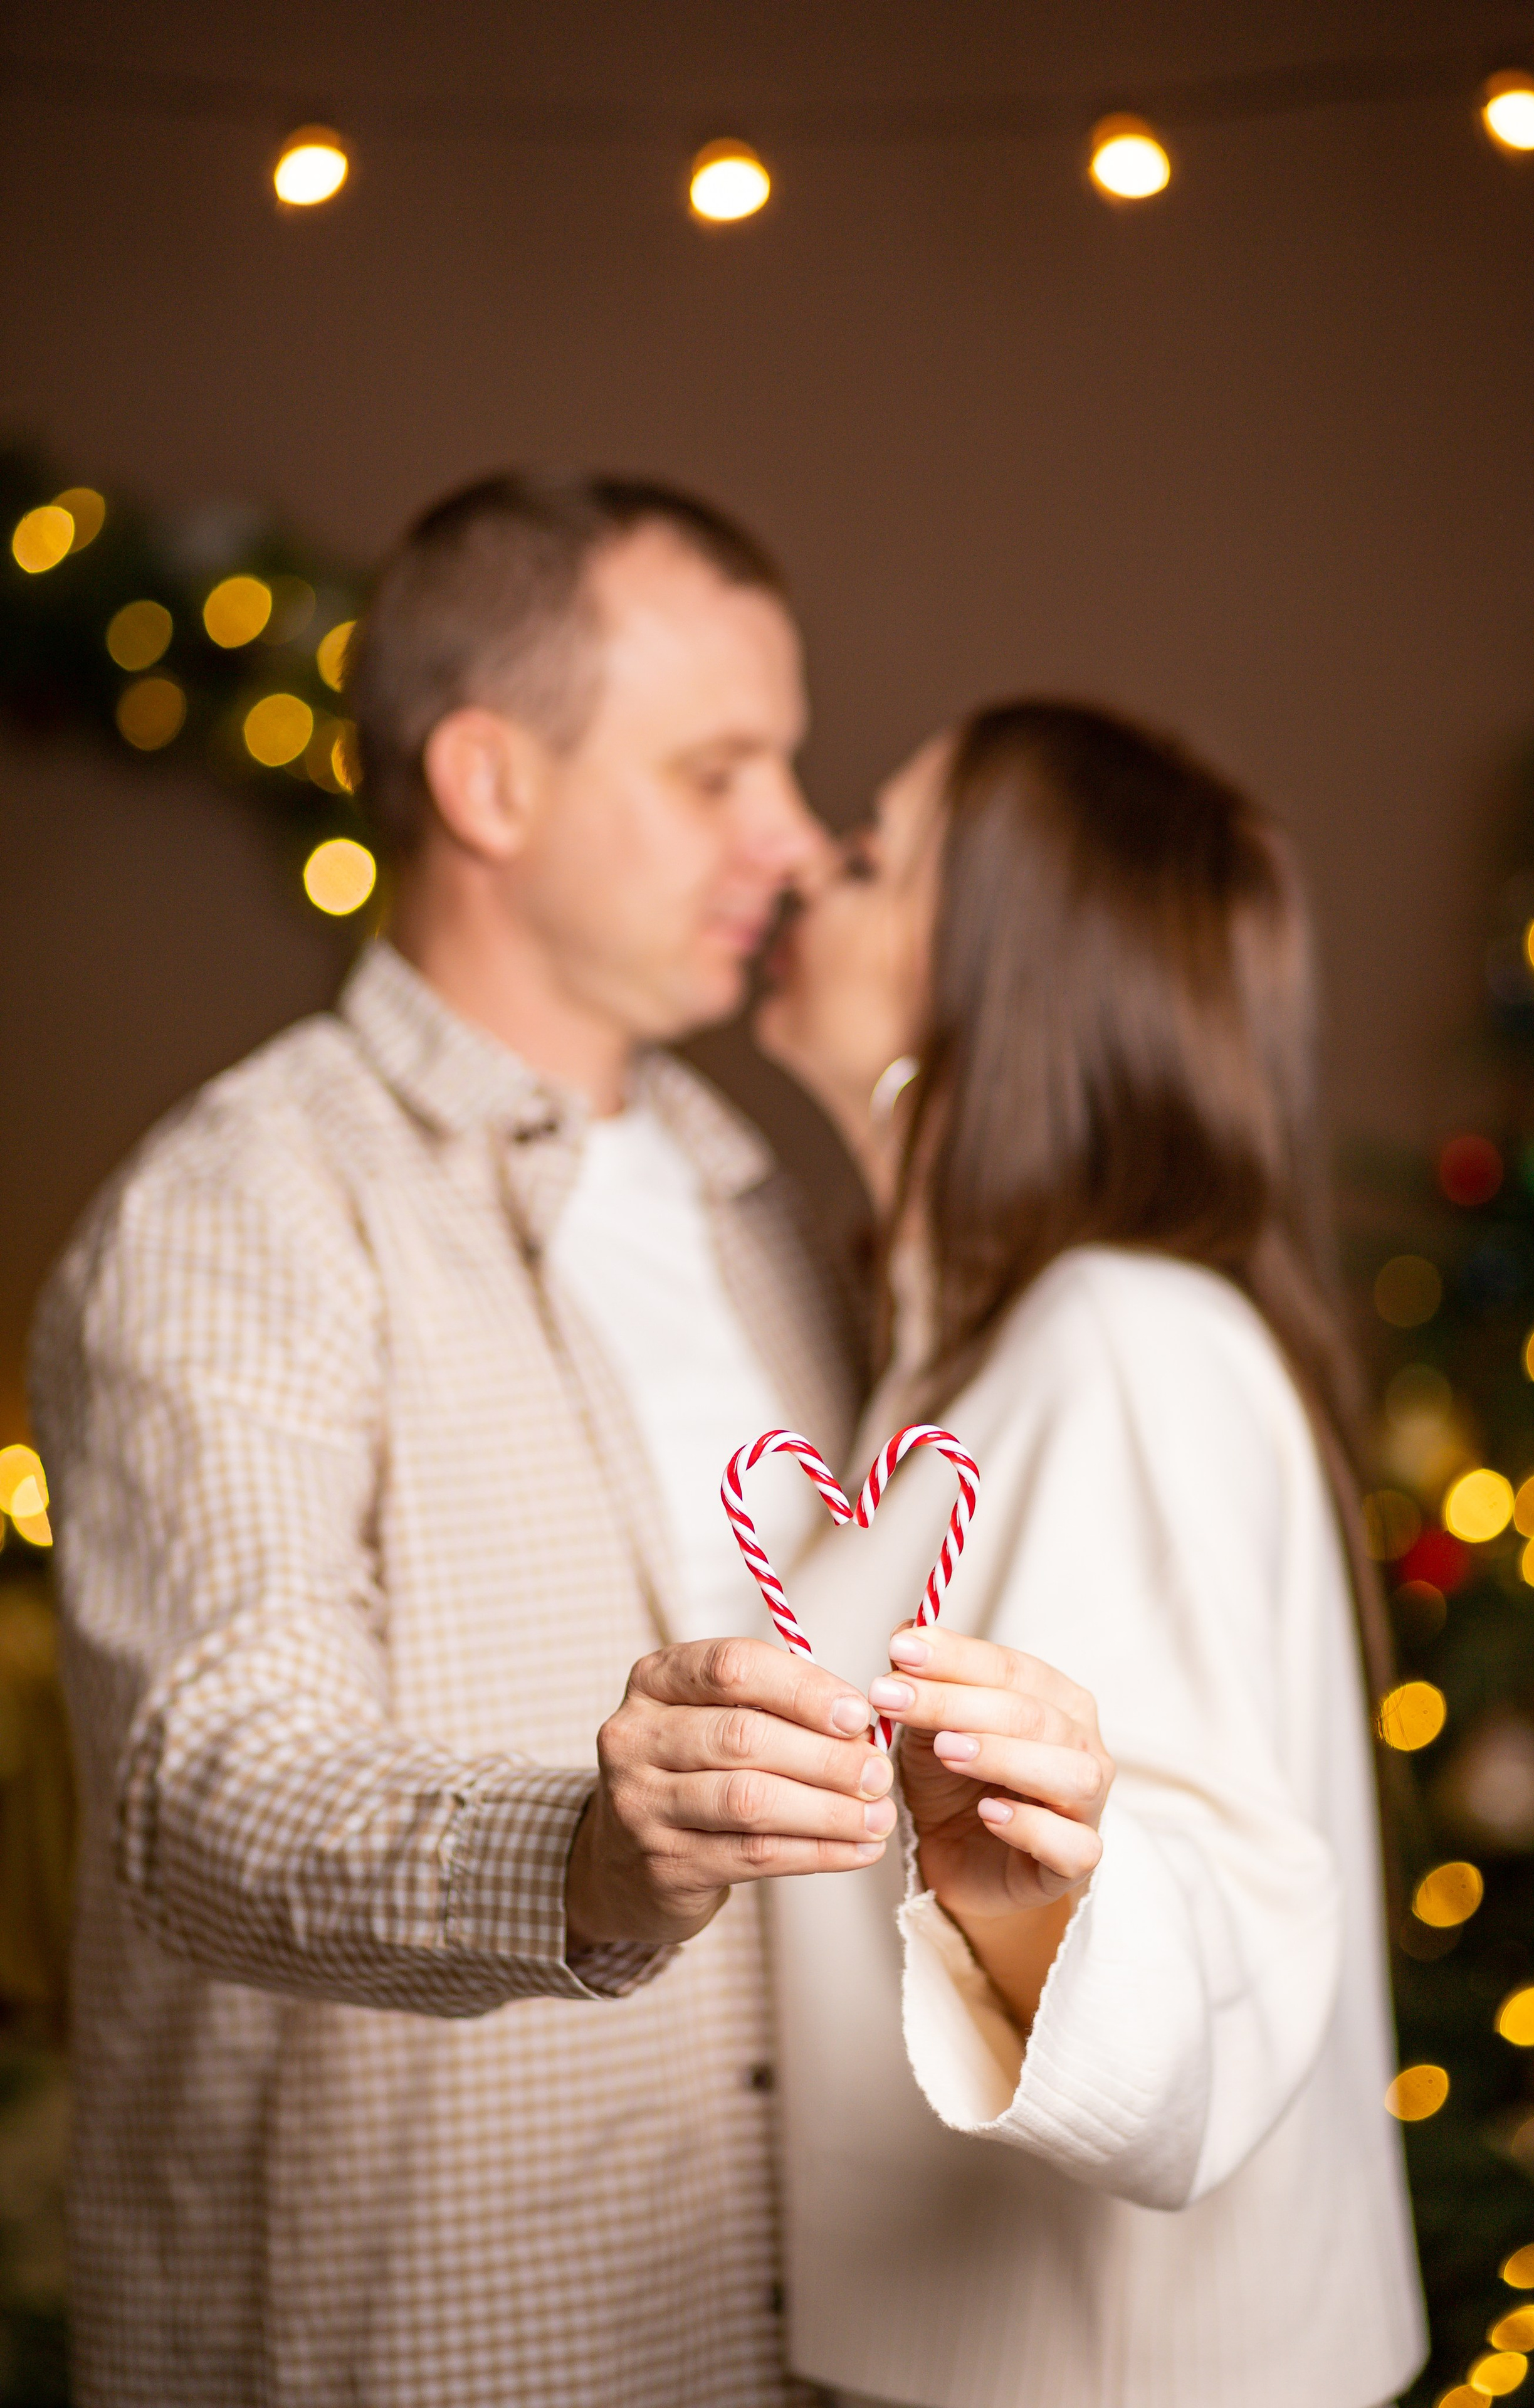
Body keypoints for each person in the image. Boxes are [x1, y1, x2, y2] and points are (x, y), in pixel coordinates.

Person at [30, 473, 902, 2408]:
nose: (795, 836)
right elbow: (206, 1789)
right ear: (492, 785)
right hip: (410, 2346)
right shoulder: (240, 1209)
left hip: (782, 2329)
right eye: (716, 773)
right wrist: (591, 1855)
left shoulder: (758, 1200)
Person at [755, 702, 1429, 2408]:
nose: (795, 872)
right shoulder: (962, 1365)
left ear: (998, 968)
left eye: (868, 856)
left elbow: (1214, 1915)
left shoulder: (1124, 1339)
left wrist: (1048, 1913)